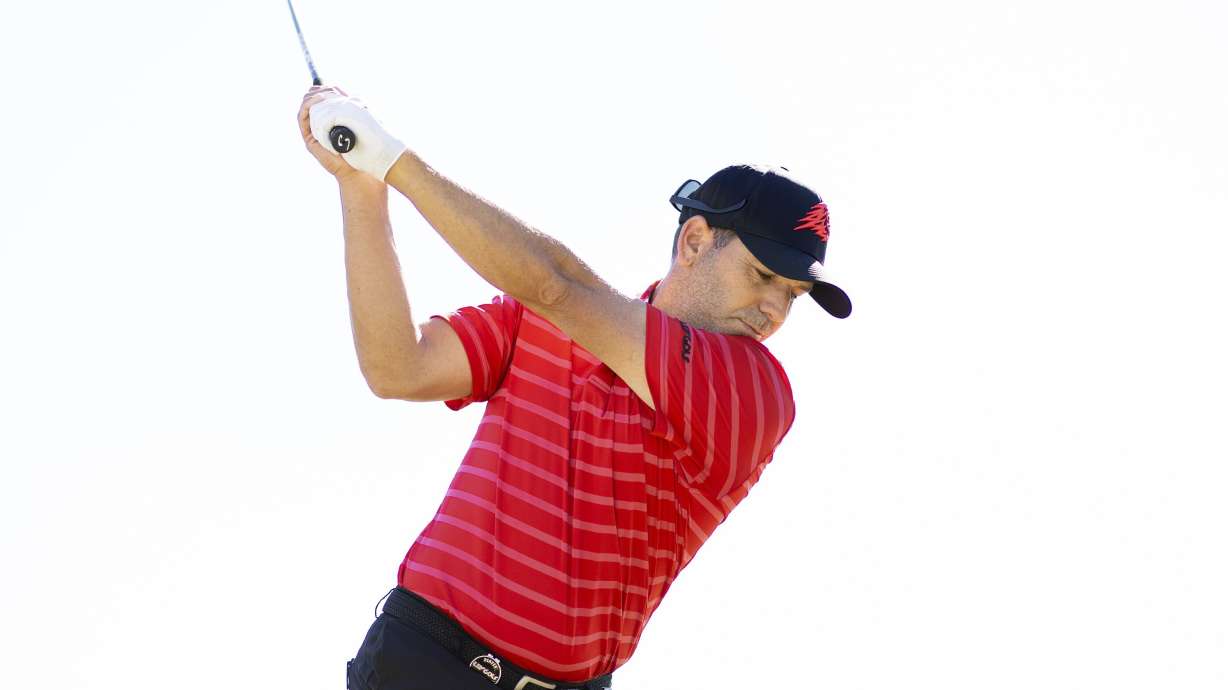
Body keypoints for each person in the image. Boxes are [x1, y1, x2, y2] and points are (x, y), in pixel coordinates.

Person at [297, 85, 851, 690]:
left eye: (793, 296)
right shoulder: (544, 315)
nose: (774, 309)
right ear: (694, 242)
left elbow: (556, 286)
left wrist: (390, 158)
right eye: (763, 275)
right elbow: (398, 367)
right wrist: (361, 187)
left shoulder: (755, 393)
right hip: (421, 663)